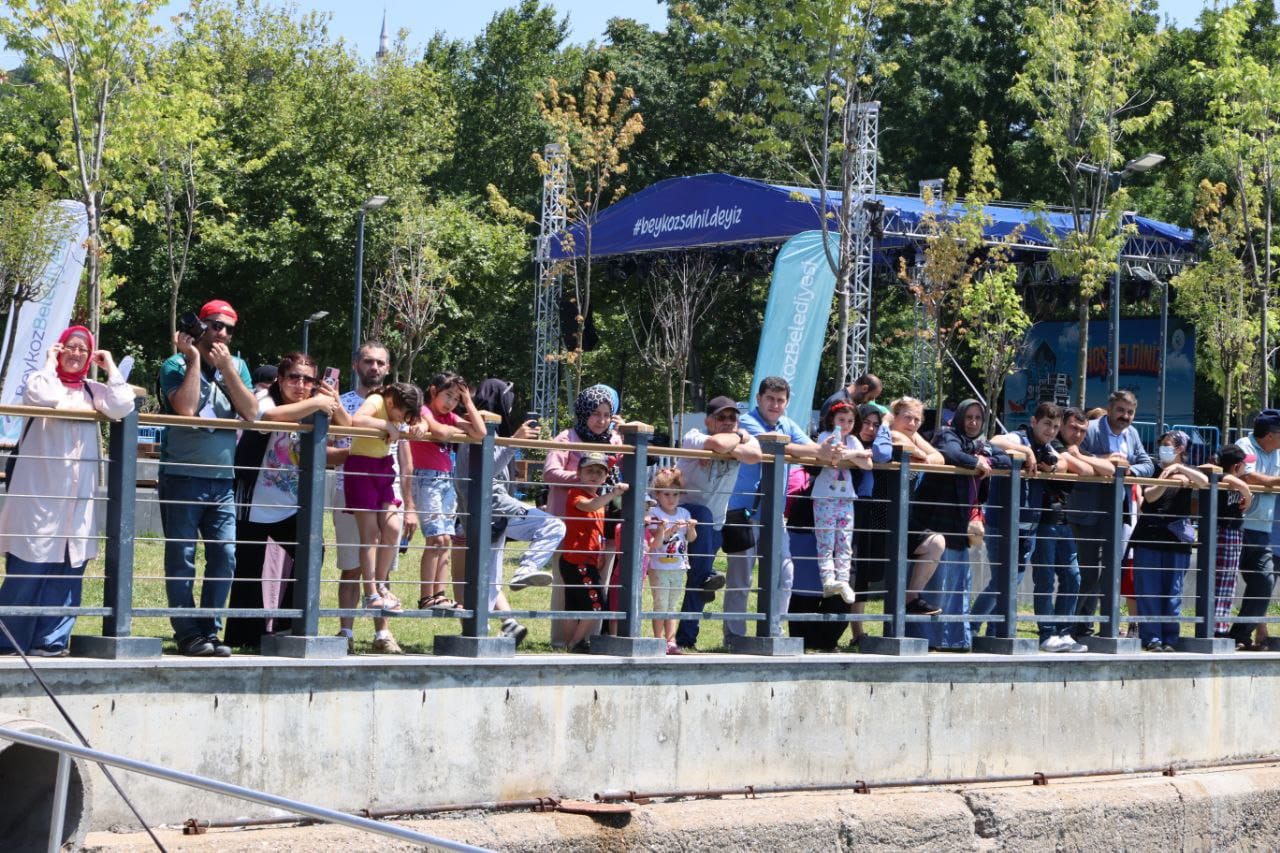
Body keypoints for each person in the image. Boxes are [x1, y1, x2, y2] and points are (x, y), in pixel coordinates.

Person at [0, 327, 134, 656]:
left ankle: (50, 641)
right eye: (70, 347)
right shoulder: (43, 381)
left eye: (83, 349)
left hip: (77, 501)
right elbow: (42, 395)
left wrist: (110, 365)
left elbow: (122, 405)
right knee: (29, 567)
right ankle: (9, 641)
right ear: (59, 350)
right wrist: (49, 361)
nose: (76, 354)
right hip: (39, 495)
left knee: (68, 569)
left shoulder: (92, 390)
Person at [223, 352, 349, 649]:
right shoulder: (265, 397)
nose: (301, 385)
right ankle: (245, 638)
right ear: (280, 379)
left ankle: (288, 624)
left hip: (290, 503)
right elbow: (265, 418)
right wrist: (316, 403)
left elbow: (346, 428)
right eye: (294, 377)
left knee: (312, 552)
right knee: (248, 568)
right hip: (253, 499)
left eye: (308, 380)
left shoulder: (315, 402)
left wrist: (333, 400)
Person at [157, 299, 258, 657]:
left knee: (225, 556)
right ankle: (187, 633)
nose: (222, 333)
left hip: (222, 481)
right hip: (182, 476)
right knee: (182, 557)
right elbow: (185, 408)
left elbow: (252, 412)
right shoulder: (175, 364)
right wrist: (195, 360)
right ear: (201, 326)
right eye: (215, 325)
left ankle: (210, 630)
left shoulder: (238, 366)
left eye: (229, 328)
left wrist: (227, 368)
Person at [724, 376, 844, 644]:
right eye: (770, 398)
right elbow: (776, 446)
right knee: (740, 579)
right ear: (758, 399)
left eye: (780, 400)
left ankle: (773, 632)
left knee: (785, 574)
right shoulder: (747, 422)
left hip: (774, 514)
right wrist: (820, 451)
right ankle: (734, 637)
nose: (775, 404)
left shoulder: (787, 424)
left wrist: (825, 450)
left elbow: (810, 448)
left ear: (787, 403)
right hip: (743, 513)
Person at [455, 378, 564, 646]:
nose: (512, 407)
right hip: (489, 507)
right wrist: (514, 442)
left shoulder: (492, 432)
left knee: (490, 580)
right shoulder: (477, 428)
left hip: (494, 510)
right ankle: (525, 569)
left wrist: (511, 441)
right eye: (509, 402)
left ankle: (486, 632)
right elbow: (484, 471)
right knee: (553, 526)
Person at [328, 341, 412, 653]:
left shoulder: (398, 405)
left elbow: (405, 459)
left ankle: (383, 634)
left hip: (387, 490)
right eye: (367, 361)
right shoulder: (343, 403)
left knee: (383, 567)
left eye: (379, 362)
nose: (373, 367)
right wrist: (357, 455)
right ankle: (346, 632)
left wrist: (411, 505)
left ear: (388, 368)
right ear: (356, 365)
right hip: (349, 488)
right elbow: (331, 445)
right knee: (352, 566)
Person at [906, 399, 1006, 649]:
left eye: (978, 418)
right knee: (935, 583)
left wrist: (985, 461)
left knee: (956, 586)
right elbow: (951, 453)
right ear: (960, 417)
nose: (973, 422)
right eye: (969, 417)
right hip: (935, 521)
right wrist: (975, 462)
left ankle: (953, 640)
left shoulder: (981, 445)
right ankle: (925, 638)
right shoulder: (947, 434)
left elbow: (1005, 459)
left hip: (959, 526)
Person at [1065, 390, 1154, 639]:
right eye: (1120, 410)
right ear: (1110, 408)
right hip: (1088, 509)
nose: (1125, 416)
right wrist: (1105, 461)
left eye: (1130, 412)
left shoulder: (1132, 434)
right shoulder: (1090, 428)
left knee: (1111, 572)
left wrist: (1128, 470)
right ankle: (1071, 625)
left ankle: (1101, 628)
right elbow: (1073, 454)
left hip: (1118, 512)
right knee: (1088, 573)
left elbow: (1148, 464)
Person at [674, 396, 762, 649]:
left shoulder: (741, 438)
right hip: (683, 517)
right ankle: (709, 576)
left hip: (714, 525)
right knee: (702, 515)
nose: (727, 421)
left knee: (698, 579)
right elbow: (717, 443)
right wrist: (736, 440)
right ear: (708, 421)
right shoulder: (693, 436)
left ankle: (686, 639)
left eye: (732, 417)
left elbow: (755, 454)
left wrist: (733, 441)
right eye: (721, 417)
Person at [544, 384, 625, 646]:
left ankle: (590, 639)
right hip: (569, 525)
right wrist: (584, 479)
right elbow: (550, 473)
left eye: (607, 415)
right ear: (583, 412)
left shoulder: (615, 439)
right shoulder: (566, 437)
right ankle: (561, 639)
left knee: (599, 582)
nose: (601, 420)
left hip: (604, 522)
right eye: (595, 414)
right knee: (566, 585)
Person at [348, 382, 422, 653]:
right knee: (370, 534)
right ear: (392, 403)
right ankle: (370, 592)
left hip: (382, 468)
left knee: (392, 527)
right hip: (361, 467)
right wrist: (387, 426)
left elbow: (420, 422)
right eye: (403, 414)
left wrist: (419, 426)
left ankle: (380, 585)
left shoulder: (399, 411)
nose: (402, 420)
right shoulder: (378, 401)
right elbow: (358, 419)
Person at [1033, 408, 1115, 651]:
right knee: (1045, 579)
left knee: (1073, 577)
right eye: (1073, 428)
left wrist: (1078, 456)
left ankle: (1064, 633)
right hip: (1043, 520)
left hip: (1064, 521)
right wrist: (1076, 459)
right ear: (1062, 426)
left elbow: (1110, 470)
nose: (1078, 434)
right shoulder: (1053, 444)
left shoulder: (1074, 449)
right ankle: (1047, 634)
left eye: (1082, 431)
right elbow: (1086, 471)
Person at [408, 372, 485, 611]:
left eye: (456, 399)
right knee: (435, 538)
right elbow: (439, 432)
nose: (451, 402)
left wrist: (468, 403)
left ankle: (439, 594)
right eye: (448, 395)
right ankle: (426, 597)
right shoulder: (423, 410)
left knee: (446, 540)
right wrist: (455, 431)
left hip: (446, 481)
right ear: (433, 391)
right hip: (426, 480)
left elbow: (480, 432)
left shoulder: (450, 416)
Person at [1130, 431, 1209, 651]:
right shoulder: (1152, 469)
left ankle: (1170, 639)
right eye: (1162, 444)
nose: (1163, 448)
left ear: (1180, 448)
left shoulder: (1189, 469)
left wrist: (1180, 469)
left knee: (1173, 592)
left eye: (1168, 444)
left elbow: (1204, 482)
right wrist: (1166, 480)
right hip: (1148, 537)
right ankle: (1151, 638)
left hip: (1177, 540)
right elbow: (1149, 498)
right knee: (1148, 591)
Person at [559, 451, 629, 651]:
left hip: (586, 559)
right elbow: (588, 506)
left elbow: (597, 530)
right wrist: (613, 494)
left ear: (606, 476)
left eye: (600, 472)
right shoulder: (576, 493)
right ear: (579, 473)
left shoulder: (599, 498)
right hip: (577, 559)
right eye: (589, 470)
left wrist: (600, 553)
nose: (594, 475)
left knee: (574, 605)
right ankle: (575, 643)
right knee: (597, 604)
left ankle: (570, 643)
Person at [887, 397, 946, 615]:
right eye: (907, 417)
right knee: (864, 575)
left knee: (936, 543)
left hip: (904, 515)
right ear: (894, 417)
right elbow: (896, 438)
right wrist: (920, 453)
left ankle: (910, 598)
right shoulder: (886, 432)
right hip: (879, 514)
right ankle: (858, 630)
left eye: (917, 419)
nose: (912, 423)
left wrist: (923, 457)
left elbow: (939, 457)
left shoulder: (913, 435)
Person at [812, 401, 872, 603]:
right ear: (832, 420)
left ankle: (844, 580)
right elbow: (834, 458)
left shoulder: (853, 440)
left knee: (845, 542)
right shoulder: (825, 436)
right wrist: (857, 455)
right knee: (826, 541)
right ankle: (828, 579)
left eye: (850, 421)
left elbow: (868, 464)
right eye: (841, 420)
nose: (845, 425)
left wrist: (852, 454)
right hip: (825, 496)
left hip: (846, 497)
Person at [1230, 410, 1280, 648]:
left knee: (1264, 581)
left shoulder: (1277, 452)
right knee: (1224, 581)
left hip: (1263, 530)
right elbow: (1246, 476)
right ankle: (1214, 632)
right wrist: (1273, 481)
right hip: (1236, 526)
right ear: (1270, 435)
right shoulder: (1244, 445)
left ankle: (1239, 635)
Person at [849, 404, 894, 644]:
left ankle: (858, 632)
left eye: (876, 425)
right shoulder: (848, 442)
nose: (871, 429)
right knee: (850, 571)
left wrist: (885, 426)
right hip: (846, 508)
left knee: (863, 573)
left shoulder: (876, 445)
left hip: (870, 512)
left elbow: (883, 454)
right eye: (866, 423)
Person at [645, 467, 696, 654]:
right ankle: (658, 640)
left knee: (672, 605)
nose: (671, 499)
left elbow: (691, 538)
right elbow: (656, 543)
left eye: (675, 494)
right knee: (661, 603)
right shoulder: (654, 513)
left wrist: (691, 528)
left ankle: (671, 640)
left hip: (679, 566)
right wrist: (669, 530)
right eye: (666, 494)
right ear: (657, 495)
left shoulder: (684, 513)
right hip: (659, 566)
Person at [1212, 445, 1251, 638]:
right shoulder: (1223, 478)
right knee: (1222, 579)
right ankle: (1217, 627)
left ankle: (1221, 624)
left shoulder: (1234, 481)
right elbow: (1226, 478)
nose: (1246, 467)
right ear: (1236, 466)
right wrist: (1248, 495)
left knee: (1229, 580)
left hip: (1233, 533)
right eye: (1244, 464)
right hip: (1224, 532)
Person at [821, 373, 888, 419]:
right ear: (864, 388)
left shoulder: (847, 401)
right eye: (870, 398)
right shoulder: (837, 402)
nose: (867, 402)